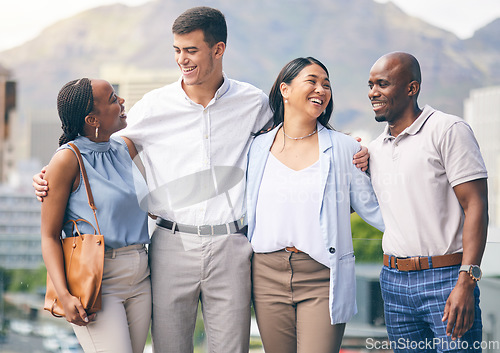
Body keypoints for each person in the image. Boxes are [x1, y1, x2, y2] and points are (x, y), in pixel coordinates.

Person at [34, 7, 369, 353]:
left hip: (232, 247)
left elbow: (297, 132)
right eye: (177, 51)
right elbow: (101, 151)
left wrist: (347, 144)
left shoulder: (253, 104)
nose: (182, 59)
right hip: (169, 245)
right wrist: (51, 172)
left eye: (191, 50)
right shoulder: (154, 105)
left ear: (218, 49)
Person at [246, 57, 385, 353]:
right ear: (285, 89)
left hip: (321, 276)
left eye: (326, 84)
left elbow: (374, 210)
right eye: (312, 81)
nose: (321, 89)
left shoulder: (345, 148)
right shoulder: (256, 148)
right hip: (265, 274)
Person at [367, 52, 488, 352]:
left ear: (412, 88)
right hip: (393, 283)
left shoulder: (449, 130)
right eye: (370, 84)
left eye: (383, 84)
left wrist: (466, 282)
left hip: (447, 279)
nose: (373, 92)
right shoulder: (374, 149)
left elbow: (476, 207)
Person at [40, 78, 151, 353]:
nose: (122, 102)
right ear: (92, 119)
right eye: (114, 99)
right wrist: (64, 296)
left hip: (141, 275)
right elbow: (49, 236)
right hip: (98, 281)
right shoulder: (67, 159)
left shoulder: (125, 149)